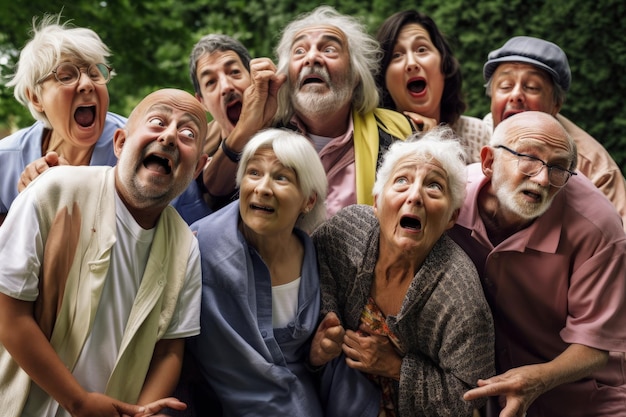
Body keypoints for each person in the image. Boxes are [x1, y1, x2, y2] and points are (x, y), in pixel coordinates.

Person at [0, 88, 209, 417]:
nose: (169, 136)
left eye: (188, 133)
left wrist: (142, 412)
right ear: (121, 142)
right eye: (157, 122)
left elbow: (169, 348)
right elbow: (8, 313)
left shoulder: (186, 246)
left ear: (197, 168)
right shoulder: (55, 191)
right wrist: (79, 402)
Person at [447, 111, 626, 416]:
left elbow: (595, 347)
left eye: (558, 167)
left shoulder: (598, 229)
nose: (543, 179)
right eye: (528, 158)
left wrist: (537, 380)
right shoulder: (450, 198)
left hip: (585, 398)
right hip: (489, 395)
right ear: (489, 161)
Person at [310, 128, 495, 416]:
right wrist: (324, 332)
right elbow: (319, 276)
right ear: (376, 202)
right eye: (401, 181)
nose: (416, 195)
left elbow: (471, 397)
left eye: (434, 186)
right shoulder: (344, 232)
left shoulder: (460, 294)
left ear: (451, 217)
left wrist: (395, 367)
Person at [187, 128, 327, 416]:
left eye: (281, 177)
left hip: (305, 403)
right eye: (253, 173)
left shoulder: (315, 257)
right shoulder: (199, 247)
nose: (262, 188)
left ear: (308, 200)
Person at [269, 5, 412, 217]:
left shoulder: (398, 133)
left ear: (355, 75)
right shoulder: (263, 133)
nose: (312, 58)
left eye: (329, 50)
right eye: (299, 51)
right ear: (286, 75)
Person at [482, 35, 626, 231]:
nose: (515, 95)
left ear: (556, 104)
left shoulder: (594, 167)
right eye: (505, 86)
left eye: (532, 87)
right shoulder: (479, 133)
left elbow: (616, 237)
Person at [0, 14, 126, 227]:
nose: (87, 84)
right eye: (66, 76)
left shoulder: (139, 146)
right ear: (35, 98)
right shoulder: (5, 158)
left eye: (95, 74)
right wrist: (26, 205)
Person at [375, 9, 491, 163]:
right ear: (384, 79)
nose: (411, 63)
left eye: (421, 49)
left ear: (444, 65)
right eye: (397, 55)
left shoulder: (477, 133)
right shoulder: (373, 141)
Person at [190, 34, 286, 209]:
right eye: (211, 82)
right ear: (201, 101)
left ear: (253, 77)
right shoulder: (194, 150)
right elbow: (211, 190)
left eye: (234, 72)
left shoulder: (291, 123)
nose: (226, 86)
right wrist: (246, 128)